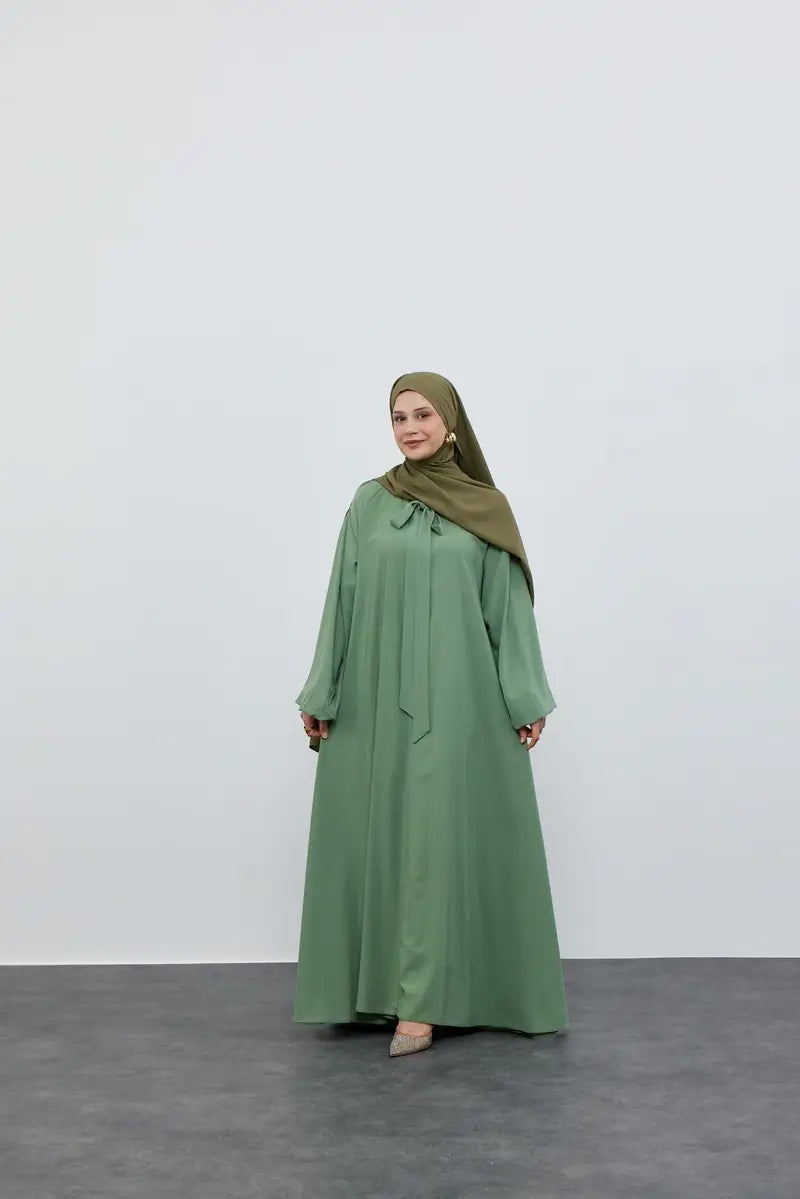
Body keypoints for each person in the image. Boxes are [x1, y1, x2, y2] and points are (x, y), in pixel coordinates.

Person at [292, 371, 568, 1058]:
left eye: (422, 415)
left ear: (450, 425)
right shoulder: (370, 502)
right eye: (398, 417)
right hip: (372, 696)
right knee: (383, 833)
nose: (409, 428)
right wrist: (322, 691)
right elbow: (341, 598)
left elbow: (506, 608)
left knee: (437, 840)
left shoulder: (485, 507)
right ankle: (376, 995)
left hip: (461, 699)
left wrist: (525, 696)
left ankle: (425, 1004)